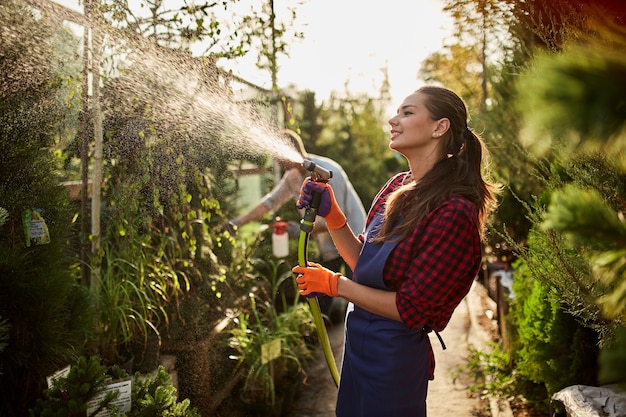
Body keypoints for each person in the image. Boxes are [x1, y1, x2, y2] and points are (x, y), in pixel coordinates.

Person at [292, 86, 500, 417]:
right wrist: (333, 217)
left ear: (439, 127)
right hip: (358, 344)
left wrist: (335, 286)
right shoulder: (397, 187)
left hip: (393, 357)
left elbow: (409, 309)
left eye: (407, 112)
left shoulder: (454, 212)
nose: (393, 120)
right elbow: (364, 263)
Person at [230, 129, 367, 322]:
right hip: (327, 245)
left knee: (360, 295)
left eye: (278, 156)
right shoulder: (293, 175)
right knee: (323, 297)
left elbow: (336, 217)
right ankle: (321, 337)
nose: (276, 161)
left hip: (354, 241)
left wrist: (302, 228)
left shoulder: (327, 172)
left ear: (291, 151)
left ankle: (357, 336)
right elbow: (271, 202)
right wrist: (238, 222)